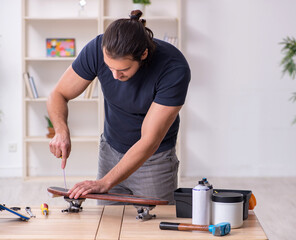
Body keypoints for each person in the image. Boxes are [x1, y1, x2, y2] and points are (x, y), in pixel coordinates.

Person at [46, 10, 191, 204]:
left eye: (123, 70)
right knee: (107, 225)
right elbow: (58, 94)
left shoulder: (173, 68)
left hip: (154, 161)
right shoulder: (97, 48)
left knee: (153, 231)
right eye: (109, 67)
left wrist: (104, 183)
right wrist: (61, 131)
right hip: (111, 151)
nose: (114, 76)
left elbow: (149, 140)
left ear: (144, 54)